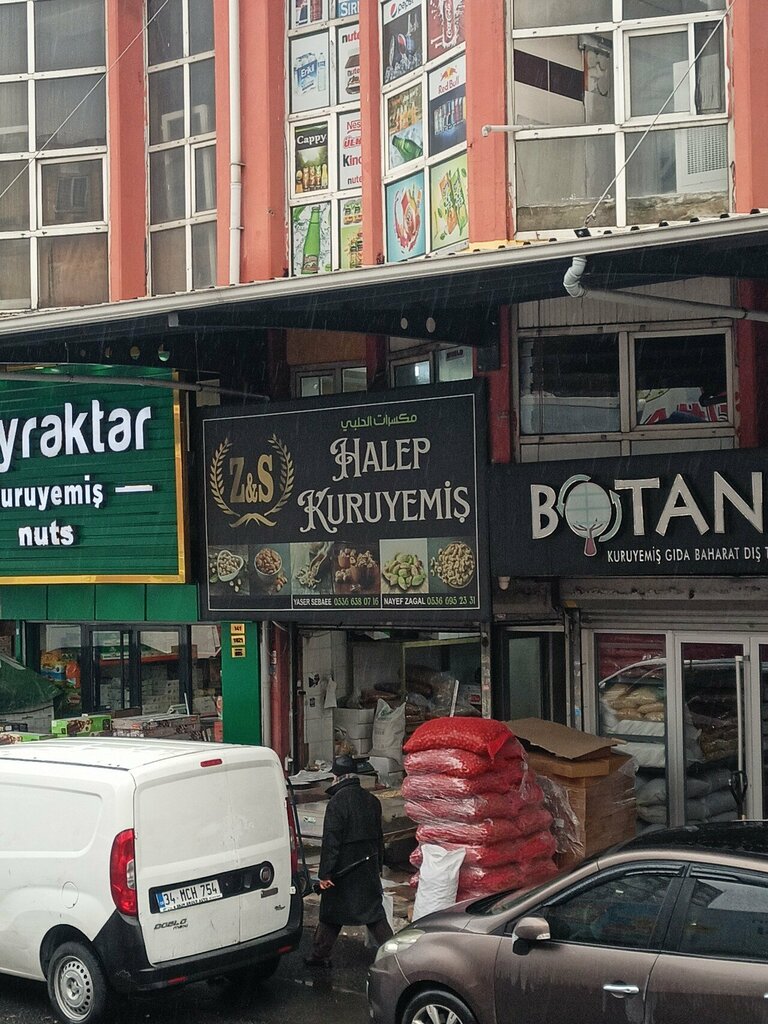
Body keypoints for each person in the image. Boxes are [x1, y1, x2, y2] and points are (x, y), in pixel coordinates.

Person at [304, 753, 393, 967]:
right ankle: (393, 953)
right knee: (373, 914)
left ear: (336, 776)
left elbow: (331, 842)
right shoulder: (371, 801)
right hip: (367, 866)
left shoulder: (337, 803)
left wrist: (325, 874)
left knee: (331, 914)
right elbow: (379, 837)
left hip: (342, 871)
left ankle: (320, 954)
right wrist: (378, 865)